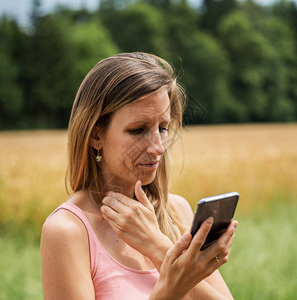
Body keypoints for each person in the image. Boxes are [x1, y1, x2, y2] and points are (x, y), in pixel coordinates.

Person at [40, 52, 238, 299]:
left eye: (163, 128)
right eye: (138, 130)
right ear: (96, 135)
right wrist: (169, 287)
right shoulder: (68, 231)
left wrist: (158, 247)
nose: (157, 147)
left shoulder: (176, 211)